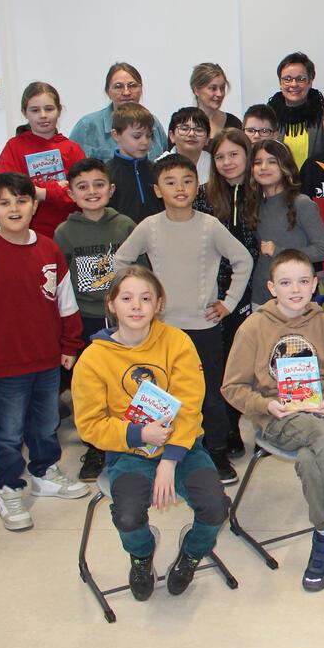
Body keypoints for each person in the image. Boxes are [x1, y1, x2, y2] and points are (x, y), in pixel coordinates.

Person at [222, 249, 324, 590]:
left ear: (314, 285)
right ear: (271, 287)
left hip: (322, 410)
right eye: (285, 282)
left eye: (303, 281)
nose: (295, 289)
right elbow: (232, 388)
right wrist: (266, 405)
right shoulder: (254, 327)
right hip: (278, 415)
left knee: (312, 458)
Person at [71, 266, 230, 599]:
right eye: (126, 298)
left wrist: (170, 460)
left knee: (216, 508)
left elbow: (189, 406)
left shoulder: (177, 342)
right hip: (128, 454)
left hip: (182, 448)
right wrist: (139, 435)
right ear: (111, 304)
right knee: (128, 517)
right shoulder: (94, 358)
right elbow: (90, 423)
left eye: (146, 298)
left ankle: (192, 552)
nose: (136, 306)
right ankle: (142, 555)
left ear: (158, 304)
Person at [114, 154, 253, 485]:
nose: (180, 188)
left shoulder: (209, 225)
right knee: (163, 391)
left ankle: (215, 451)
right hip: (162, 329)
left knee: (208, 392)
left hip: (203, 327)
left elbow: (243, 259)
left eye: (188, 181)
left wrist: (228, 303)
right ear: (157, 189)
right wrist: (142, 300)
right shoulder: (149, 226)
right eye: (170, 182)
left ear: (197, 186)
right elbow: (121, 260)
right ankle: (166, 448)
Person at [0, 171, 89, 532]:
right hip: (1, 364)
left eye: (21, 200)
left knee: (46, 423)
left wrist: (69, 344)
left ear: (34, 205)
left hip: (47, 359)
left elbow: (66, 301)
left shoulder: (48, 248)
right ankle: (9, 486)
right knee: (6, 431)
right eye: (4, 202)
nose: (14, 208)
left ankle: (45, 471)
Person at [54, 158, 137, 481]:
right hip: (86, 320)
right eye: (83, 187)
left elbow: (138, 271)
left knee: (125, 381)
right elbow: (62, 284)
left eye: (99, 184)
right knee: (92, 387)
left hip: (122, 322)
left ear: (111, 189)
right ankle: (96, 447)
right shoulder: (65, 232)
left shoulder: (125, 226)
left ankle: (130, 438)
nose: (92, 192)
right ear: (72, 193)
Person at [195, 129, 260, 458]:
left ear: (247, 157)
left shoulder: (259, 192)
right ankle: (224, 428)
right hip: (214, 295)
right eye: (220, 157)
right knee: (217, 364)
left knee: (244, 364)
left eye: (234, 155)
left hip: (251, 292)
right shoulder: (203, 195)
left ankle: (236, 422)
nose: (227, 162)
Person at [246, 139, 324, 307]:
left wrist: (279, 251)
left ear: (285, 167)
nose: (264, 167)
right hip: (260, 296)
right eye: (258, 162)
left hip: (296, 299)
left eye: (272, 162)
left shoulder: (302, 203)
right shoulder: (253, 205)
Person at [0, 81, 85, 238]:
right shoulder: (14, 147)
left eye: (49, 109)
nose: (43, 115)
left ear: (59, 110)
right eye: (35, 110)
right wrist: (57, 189)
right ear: (25, 113)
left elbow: (81, 194)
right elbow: (9, 190)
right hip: (27, 233)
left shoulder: (72, 149)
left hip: (70, 233)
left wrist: (41, 192)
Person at [69, 62, 168, 161]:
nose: (126, 92)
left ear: (141, 89)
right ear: (108, 92)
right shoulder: (87, 126)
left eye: (132, 86)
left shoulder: (154, 123)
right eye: (118, 86)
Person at [106, 103, 164, 225]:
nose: (144, 142)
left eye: (149, 136)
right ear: (116, 135)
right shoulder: (105, 174)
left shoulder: (159, 171)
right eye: (137, 136)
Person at [267, 51, 324, 167]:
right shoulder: (269, 118)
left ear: (310, 82)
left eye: (300, 79)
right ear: (280, 82)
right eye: (287, 79)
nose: (293, 84)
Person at [184, 62, 242, 138]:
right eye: (213, 88)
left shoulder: (234, 124)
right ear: (196, 90)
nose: (219, 94)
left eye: (222, 88)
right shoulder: (182, 124)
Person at [161, 107, 211, 182]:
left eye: (199, 130)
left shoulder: (215, 164)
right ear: (172, 136)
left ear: (207, 138)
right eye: (184, 129)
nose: (191, 134)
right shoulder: (160, 165)